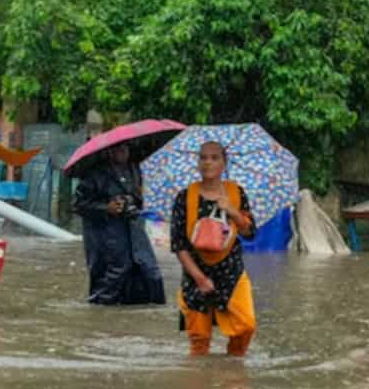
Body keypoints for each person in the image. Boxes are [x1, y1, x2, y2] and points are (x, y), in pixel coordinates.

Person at [170, 141, 258, 357]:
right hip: (196, 273)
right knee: (199, 340)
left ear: (224, 163)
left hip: (231, 270)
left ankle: (233, 371)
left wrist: (232, 210)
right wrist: (199, 279)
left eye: (214, 157)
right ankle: (202, 384)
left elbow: (250, 232)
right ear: (198, 164)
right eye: (203, 158)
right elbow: (179, 245)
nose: (208, 162)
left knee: (246, 326)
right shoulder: (184, 197)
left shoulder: (236, 193)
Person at [72, 142, 165, 305]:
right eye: (117, 148)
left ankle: (142, 308)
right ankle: (100, 309)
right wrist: (106, 208)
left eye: (125, 148)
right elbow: (78, 204)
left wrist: (134, 202)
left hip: (134, 229)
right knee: (115, 273)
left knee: (150, 271)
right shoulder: (95, 174)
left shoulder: (134, 169)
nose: (122, 152)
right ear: (109, 151)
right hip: (107, 234)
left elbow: (137, 197)